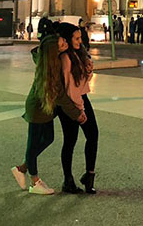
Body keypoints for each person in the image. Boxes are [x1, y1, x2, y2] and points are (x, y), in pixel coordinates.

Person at [11, 34, 85, 195]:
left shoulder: (49, 60)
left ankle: (22, 168)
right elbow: (60, 95)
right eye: (63, 42)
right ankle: (35, 182)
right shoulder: (50, 68)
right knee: (33, 144)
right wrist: (76, 113)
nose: (66, 42)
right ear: (54, 50)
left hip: (46, 107)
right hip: (38, 108)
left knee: (48, 138)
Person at [53, 22, 99, 194]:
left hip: (82, 98)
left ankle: (89, 175)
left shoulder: (79, 54)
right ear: (67, 39)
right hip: (71, 104)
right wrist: (79, 111)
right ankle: (68, 180)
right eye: (77, 38)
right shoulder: (65, 58)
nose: (80, 41)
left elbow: (82, 82)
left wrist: (88, 70)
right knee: (70, 141)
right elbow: (69, 88)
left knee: (93, 135)